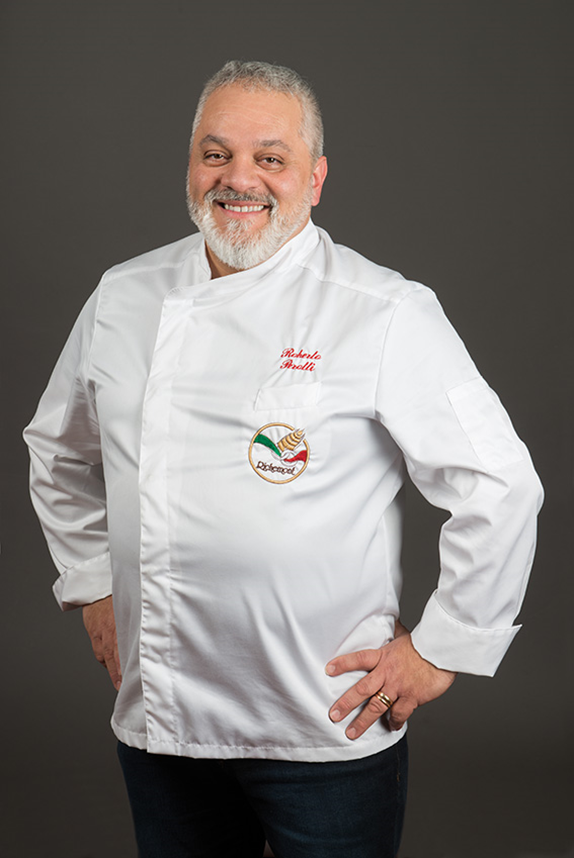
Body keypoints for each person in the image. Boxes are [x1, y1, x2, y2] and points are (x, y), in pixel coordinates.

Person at [24, 60, 543, 858]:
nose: (239, 179)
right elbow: (57, 446)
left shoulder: (383, 310)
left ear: (316, 178)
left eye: (270, 157)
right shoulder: (123, 296)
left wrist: (442, 648)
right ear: (191, 165)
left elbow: (499, 485)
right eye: (216, 153)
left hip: (324, 724)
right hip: (162, 717)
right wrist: (92, 582)